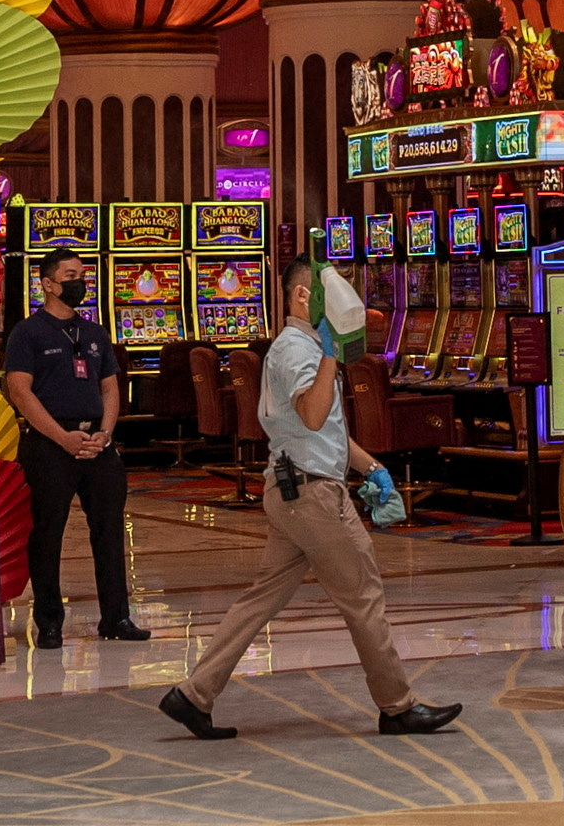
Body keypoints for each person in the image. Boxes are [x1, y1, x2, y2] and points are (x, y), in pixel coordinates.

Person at [161, 256, 458, 742]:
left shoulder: (300, 347)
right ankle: (397, 706)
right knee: (363, 595)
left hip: (293, 487)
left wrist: (372, 467)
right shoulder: (300, 350)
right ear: (305, 296)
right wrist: (329, 354)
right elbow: (314, 414)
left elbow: (323, 431)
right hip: (312, 495)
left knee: (261, 599)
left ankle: (193, 694)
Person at [0, 247, 145, 651]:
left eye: (81, 274)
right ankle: (49, 622)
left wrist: (105, 433)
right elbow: (20, 391)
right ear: (48, 284)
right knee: (47, 534)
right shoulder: (27, 333)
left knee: (110, 530)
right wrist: (60, 437)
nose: (78, 282)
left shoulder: (94, 332)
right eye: (69, 275)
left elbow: (109, 387)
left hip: (96, 443)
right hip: (49, 445)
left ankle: (116, 617)